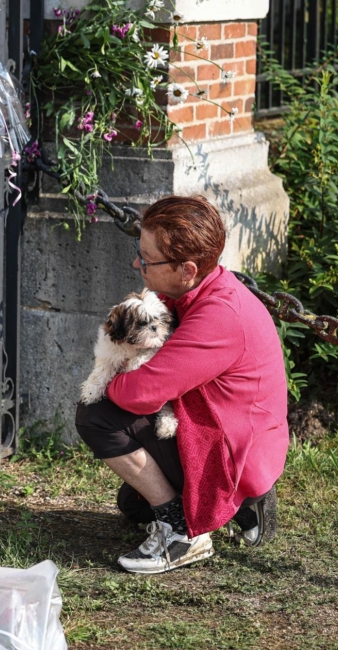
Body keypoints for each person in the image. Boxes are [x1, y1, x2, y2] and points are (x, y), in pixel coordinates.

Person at [75, 196, 288, 575]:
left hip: (230, 452)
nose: (136, 264)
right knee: (134, 506)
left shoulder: (219, 317)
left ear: (187, 269)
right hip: (235, 435)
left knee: (96, 416)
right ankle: (245, 502)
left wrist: (111, 380)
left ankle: (182, 530)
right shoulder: (203, 292)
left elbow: (141, 395)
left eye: (147, 259)